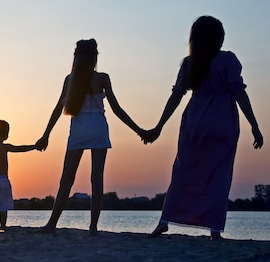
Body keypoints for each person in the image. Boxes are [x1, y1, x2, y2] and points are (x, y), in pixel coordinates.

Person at [142, 16, 264, 241]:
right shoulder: (228, 60)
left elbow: (176, 96)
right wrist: (254, 125)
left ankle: (163, 222)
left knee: (183, 172)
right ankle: (215, 231)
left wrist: (159, 126)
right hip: (223, 123)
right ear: (219, 38)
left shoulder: (190, 63)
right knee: (219, 175)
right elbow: (239, 92)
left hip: (195, 123)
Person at [36, 39, 144, 235]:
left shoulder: (70, 79)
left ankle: (52, 224)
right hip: (98, 130)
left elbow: (58, 109)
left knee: (66, 180)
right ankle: (93, 227)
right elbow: (117, 109)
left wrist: (46, 135)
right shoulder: (101, 78)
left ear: (76, 58)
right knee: (97, 179)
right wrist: (140, 131)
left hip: (78, 132)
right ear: (95, 57)